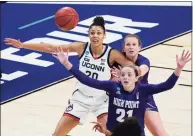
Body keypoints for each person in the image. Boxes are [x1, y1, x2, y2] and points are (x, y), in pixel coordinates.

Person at [4, 16, 133, 136]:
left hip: (102, 100)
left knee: (112, 133)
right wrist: (23, 45)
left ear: (104, 36)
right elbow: (51, 47)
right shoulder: (81, 48)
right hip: (80, 98)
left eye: (99, 33)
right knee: (57, 134)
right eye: (92, 33)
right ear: (88, 35)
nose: (95, 35)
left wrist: (124, 75)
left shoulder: (112, 53)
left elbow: (132, 65)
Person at [53, 47, 191, 136]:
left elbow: (167, 85)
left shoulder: (143, 90)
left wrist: (179, 68)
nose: (126, 77)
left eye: (129, 75)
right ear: (119, 76)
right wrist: (67, 63)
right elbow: (87, 80)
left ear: (137, 78)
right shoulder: (112, 87)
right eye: (123, 75)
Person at [111, 34, 168, 136]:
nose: (131, 47)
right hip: (124, 101)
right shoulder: (116, 60)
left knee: (160, 134)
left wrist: (123, 75)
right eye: (128, 44)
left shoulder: (144, 61)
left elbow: (141, 71)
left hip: (144, 99)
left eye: (134, 44)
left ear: (139, 47)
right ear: (123, 48)